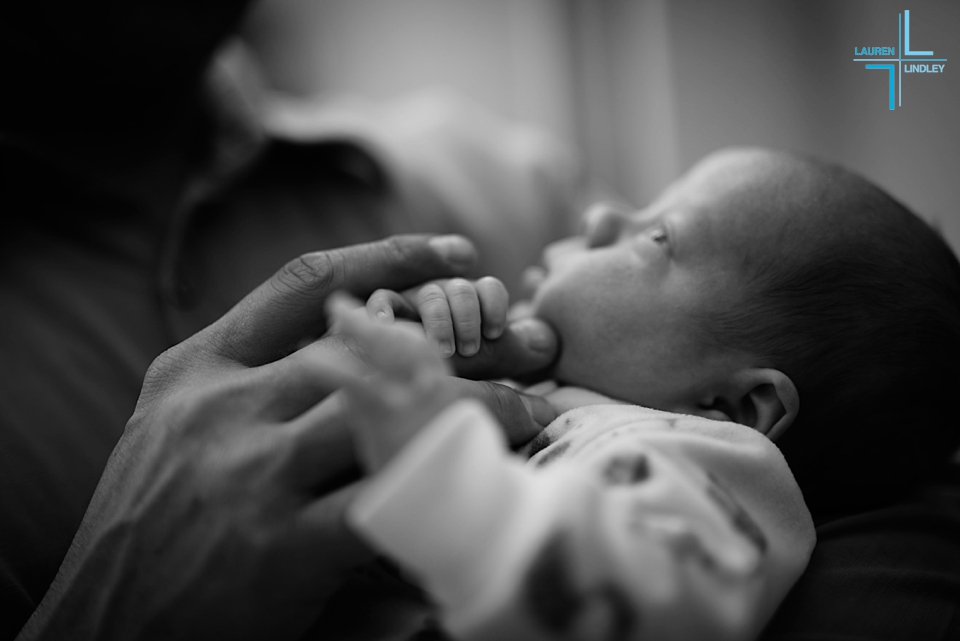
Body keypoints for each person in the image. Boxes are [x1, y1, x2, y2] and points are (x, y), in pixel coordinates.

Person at [339, 147, 960, 639]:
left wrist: (440, 462)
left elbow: (633, 599)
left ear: (733, 406)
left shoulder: (712, 472)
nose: (600, 217)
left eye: (658, 236)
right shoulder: (544, 393)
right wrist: (424, 338)